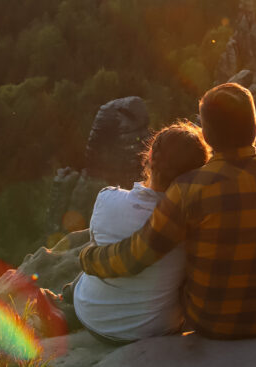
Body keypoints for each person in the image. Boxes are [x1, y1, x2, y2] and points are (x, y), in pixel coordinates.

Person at [79, 82, 256, 340]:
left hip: (208, 322)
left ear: (206, 136)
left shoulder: (188, 189)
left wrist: (88, 258)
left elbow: (136, 256)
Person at [62, 121, 210, 344]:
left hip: (93, 320)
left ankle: (67, 298)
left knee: (91, 259)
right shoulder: (194, 223)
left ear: (150, 157)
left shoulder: (107, 198)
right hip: (156, 329)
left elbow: (101, 251)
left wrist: (86, 258)